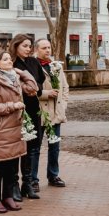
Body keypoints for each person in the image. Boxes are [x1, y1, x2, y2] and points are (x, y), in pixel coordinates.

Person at [0, 50, 38, 213]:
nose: (10, 61)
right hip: (0, 130)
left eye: (9, 59)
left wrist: (22, 72)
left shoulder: (15, 78)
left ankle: (8, 197)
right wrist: (13, 106)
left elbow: (33, 88)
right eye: (5, 59)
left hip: (15, 128)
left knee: (12, 166)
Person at [9, 34, 45, 200]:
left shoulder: (33, 62)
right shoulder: (10, 63)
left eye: (30, 46)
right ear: (16, 46)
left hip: (33, 109)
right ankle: (14, 185)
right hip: (17, 112)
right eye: (24, 45)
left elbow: (40, 83)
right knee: (18, 149)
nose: (28, 49)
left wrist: (33, 87)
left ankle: (27, 184)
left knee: (32, 148)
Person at [35, 38, 68, 188]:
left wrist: (63, 105)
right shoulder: (32, 66)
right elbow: (28, 90)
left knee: (54, 146)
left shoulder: (56, 66)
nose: (47, 50)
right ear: (37, 50)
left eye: (49, 47)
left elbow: (65, 88)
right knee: (35, 148)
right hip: (40, 113)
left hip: (55, 114)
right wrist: (46, 94)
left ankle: (53, 175)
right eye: (44, 48)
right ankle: (33, 180)